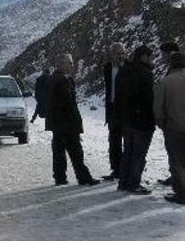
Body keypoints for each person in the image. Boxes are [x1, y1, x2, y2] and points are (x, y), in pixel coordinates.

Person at [45, 54, 99, 186]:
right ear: (62, 65)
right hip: (66, 123)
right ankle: (84, 177)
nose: (72, 65)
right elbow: (69, 104)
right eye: (70, 63)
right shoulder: (63, 81)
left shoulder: (53, 79)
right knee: (76, 152)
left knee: (58, 151)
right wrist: (76, 125)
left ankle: (60, 177)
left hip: (57, 123)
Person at [117, 45, 156, 195]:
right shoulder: (145, 73)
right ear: (143, 57)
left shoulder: (125, 71)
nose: (152, 59)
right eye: (150, 56)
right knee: (139, 154)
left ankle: (123, 182)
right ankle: (133, 183)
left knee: (128, 152)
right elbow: (148, 99)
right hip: (142, 121)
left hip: (127, 119)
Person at [154, 52, 185, 204]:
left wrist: (162, 124)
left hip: (173, 127)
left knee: (176, 161)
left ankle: (181, 193)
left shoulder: (165, 82)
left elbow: (158, 108)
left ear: (171, 64)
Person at [102, 43, 127, 180]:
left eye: (122, 53)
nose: (121, 56)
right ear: (112, 55)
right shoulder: (107, 68)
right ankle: (116, 169)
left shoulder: (129, 68)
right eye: (118, 53)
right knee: (114, 141)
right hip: (112, 110)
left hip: (125, 110)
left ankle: (127, 169)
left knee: (128, 141)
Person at [158, 42, 181, 186]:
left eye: (164, 54)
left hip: (175, 117)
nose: (162, 57)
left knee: (175, 151)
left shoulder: (174, 71)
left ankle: (178, 179)